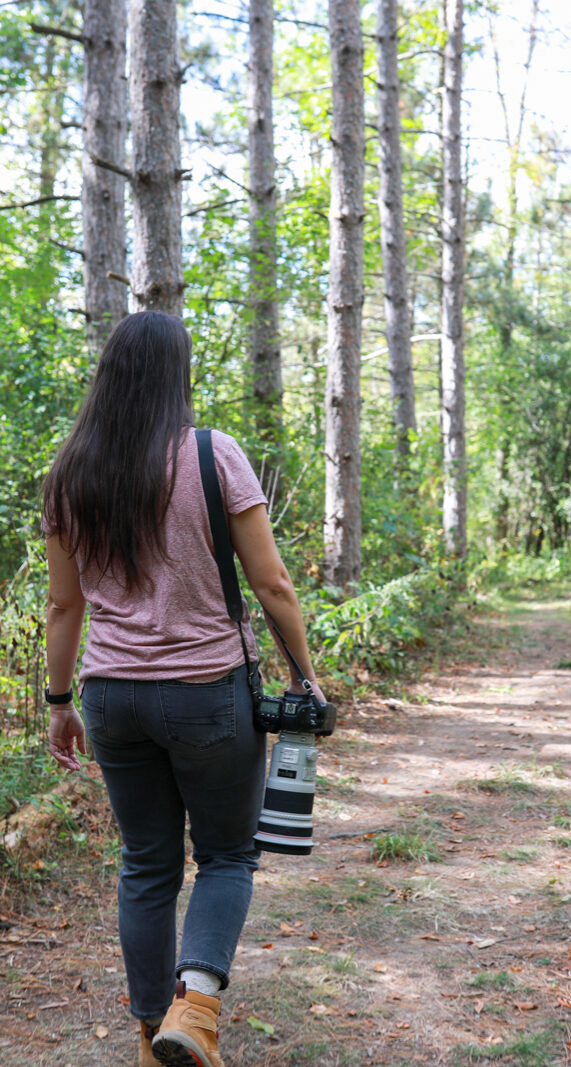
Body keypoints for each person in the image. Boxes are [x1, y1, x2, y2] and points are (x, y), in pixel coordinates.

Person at [43, 311, 326, 1067]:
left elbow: (64, 604)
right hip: (207, 692)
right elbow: (271, 580)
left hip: (111, 696)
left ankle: (147, 1039)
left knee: (146, 861)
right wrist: (306, 671)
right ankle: (194, 1011)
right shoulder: (212, 455)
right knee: (229, 854)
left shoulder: (72, 471)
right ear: (179, 376)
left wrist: (59, 700)